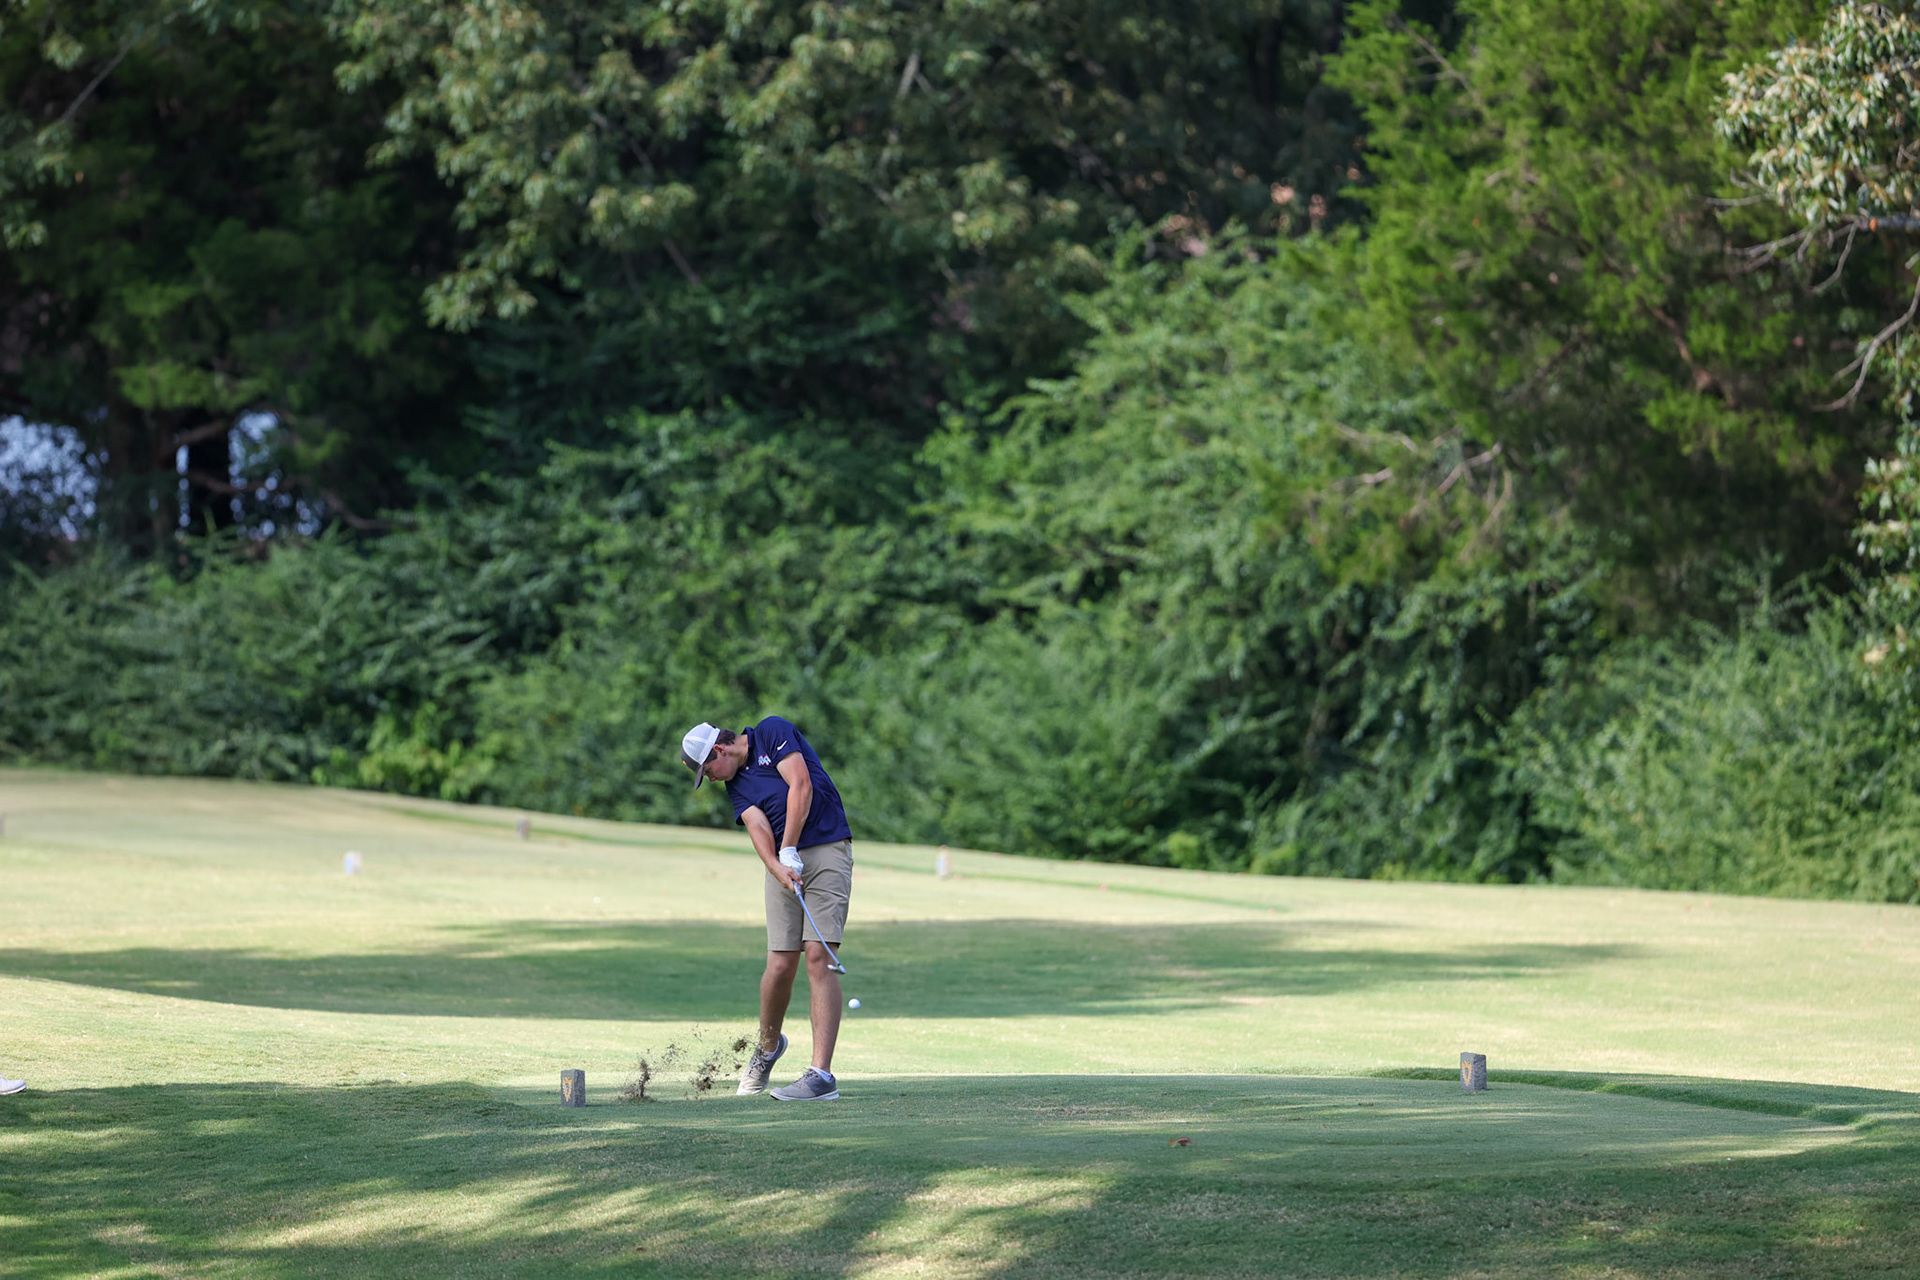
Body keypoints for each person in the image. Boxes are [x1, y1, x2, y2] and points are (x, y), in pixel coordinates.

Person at [681, 715, 853, 1102]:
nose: (709, 779)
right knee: (779, 964)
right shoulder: (735, 785)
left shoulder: (772, 731)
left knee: (817, 957)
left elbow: (801, 785)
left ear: (720, 750)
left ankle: (821, 1076)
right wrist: (777, 865)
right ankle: (768, 1047)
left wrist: (789, 846)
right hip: (784, 865)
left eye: (707, 770)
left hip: (826, 848)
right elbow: (757, 825)